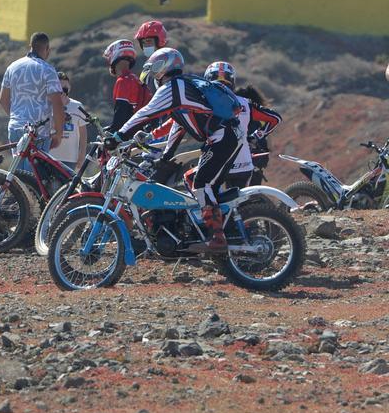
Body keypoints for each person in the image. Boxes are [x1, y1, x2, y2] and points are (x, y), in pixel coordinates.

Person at [114, 48, 243, 255]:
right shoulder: (182, 90)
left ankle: (217, 238)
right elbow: (178, 126)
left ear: (164, 66)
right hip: (226, 136)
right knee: (195, 181)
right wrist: (165, 155)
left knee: (202, 183)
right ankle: (208, 227)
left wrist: (118, 136)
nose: (152, 74)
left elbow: (145, 113)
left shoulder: (173, 87)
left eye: (154, 68)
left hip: (223, 137)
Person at [204, 62, 282, 188]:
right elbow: (275, 118)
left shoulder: (204, 104)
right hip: (246, 161)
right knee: (244, 199)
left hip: (218, 162)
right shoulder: (246, 103)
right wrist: (257, 136)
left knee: (204, 192)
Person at [0, 32, 65, 157]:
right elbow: (57, 104)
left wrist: (17, 117)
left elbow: (3, 100)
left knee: (18, 173)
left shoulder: (12, 67)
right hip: (38, 130)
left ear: (31, 46)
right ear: (47, 49)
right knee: (34, 173)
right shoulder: (48, 70)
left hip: (15, 127)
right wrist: (58, 133)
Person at [103, 39, 149, 130]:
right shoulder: (135, 79)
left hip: (133, 133)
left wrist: (113, 130)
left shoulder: (123, 80)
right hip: (143, 128)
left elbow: (121, 112)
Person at [48, 71, 90, 171]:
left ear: (69, 87)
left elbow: (83, 135)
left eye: (65, 88)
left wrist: (82, 155)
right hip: (49, 156)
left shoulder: (77, 106)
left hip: (70, 158)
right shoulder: (47, 105)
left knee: (67, 186)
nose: (62, 91)